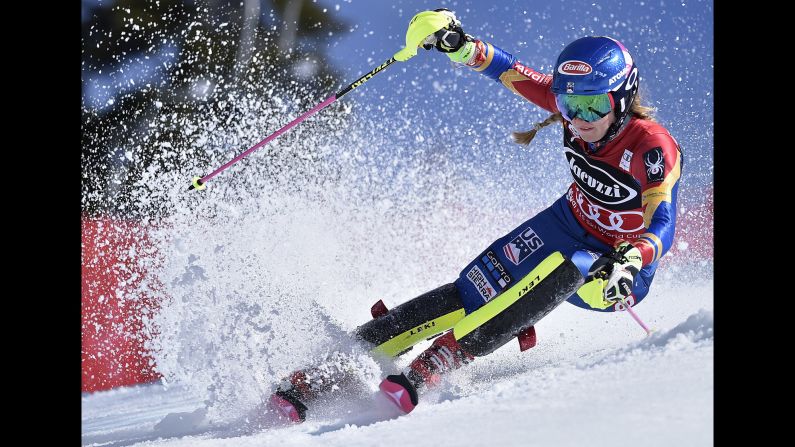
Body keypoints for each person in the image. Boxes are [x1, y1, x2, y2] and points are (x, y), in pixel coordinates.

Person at [269, 8, 682, 422]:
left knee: (569, 265)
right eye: (569, 105)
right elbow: (507, 70)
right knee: (475, 287)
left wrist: (632, 258)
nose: (579, 119)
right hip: (567, 223)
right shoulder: (573, 112)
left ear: (624, 99)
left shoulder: (651, 147)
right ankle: (331, 371)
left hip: (619, 268)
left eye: (594, 107)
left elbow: (662, 222)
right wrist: (458, 44)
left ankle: (441, 359)